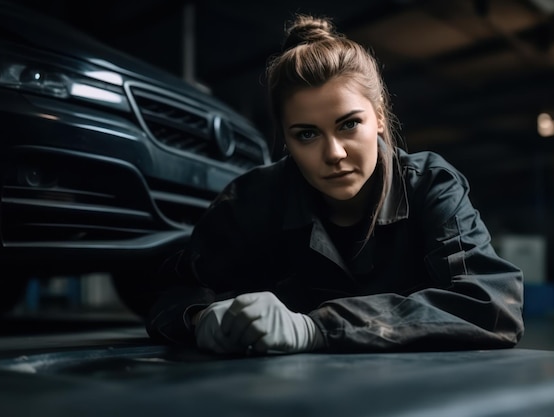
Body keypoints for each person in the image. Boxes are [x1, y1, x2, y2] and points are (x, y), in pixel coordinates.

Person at [145, 14, 524, 355]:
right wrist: (200, 319)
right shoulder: (252, 200)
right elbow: (168, 294)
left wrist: (317, 328)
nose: (334, 153)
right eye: (306, 135)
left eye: (348, 124)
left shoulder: (430, 185)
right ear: (286, 140)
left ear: (378, 117)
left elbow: (492, 302)